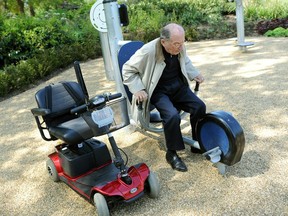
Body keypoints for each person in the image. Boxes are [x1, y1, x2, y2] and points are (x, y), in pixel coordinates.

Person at [122, 23, 206, 172]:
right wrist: (138, 89)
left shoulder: (179, 46)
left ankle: (196, 142)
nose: (180, 47)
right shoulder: (148, 51)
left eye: (182, 43)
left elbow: (185, 61)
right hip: (158, 90)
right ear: (163, 41)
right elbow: (128, 70)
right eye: (176, 44)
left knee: (199, 106)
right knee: (172, 116)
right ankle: (172, 153)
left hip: (178, 86)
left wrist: (194, 73)